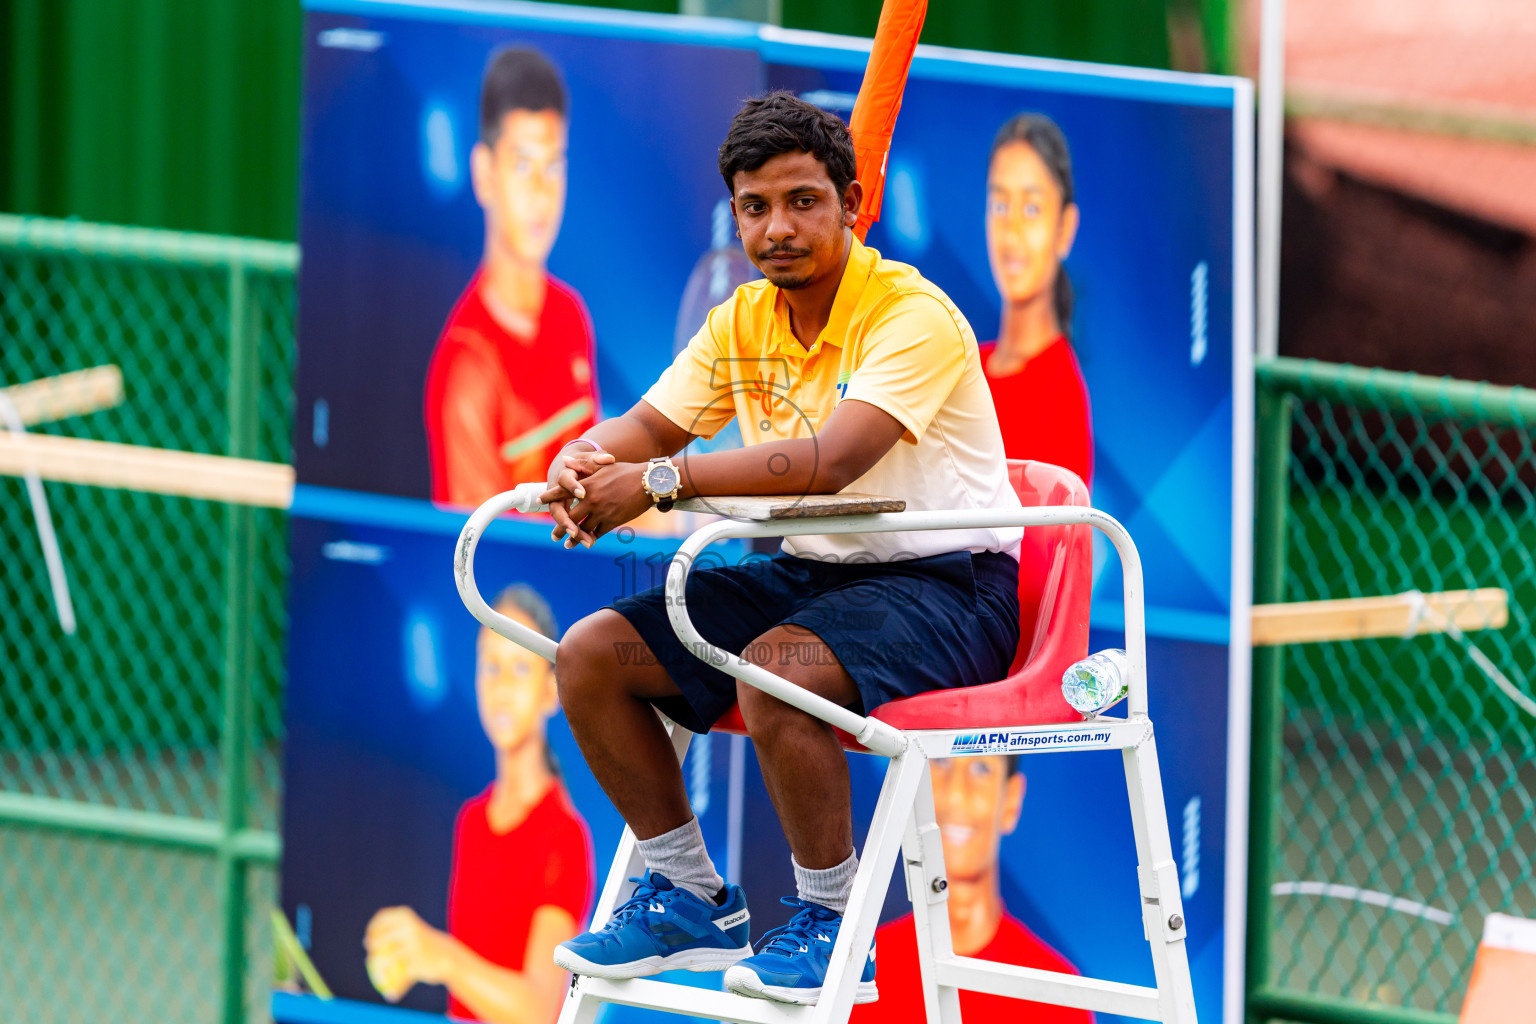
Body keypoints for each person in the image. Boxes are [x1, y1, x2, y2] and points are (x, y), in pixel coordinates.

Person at [538, 91, 1024, 1006]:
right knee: (593, 657)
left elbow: (833, 463)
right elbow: (643, 429)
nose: (780, 228)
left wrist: (662, 483)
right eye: (756, 208)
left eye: (804, 201)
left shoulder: (911, 314)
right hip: (815, 581)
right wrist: (583, 458)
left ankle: (835, 922)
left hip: (951, 590)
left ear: (851, 203)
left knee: (773, 672)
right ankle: (688, 893)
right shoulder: (740, 321)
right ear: (736, 218)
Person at [364, 586, 592, 1023]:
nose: (503, 687)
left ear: (551, 691)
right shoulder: (472, 818)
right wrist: (408, 958)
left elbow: (538, 1011)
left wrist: (442, 957)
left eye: (520, 667)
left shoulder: (564, 836)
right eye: (491, 667)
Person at [424, 46, 599, 507]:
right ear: (485, 173)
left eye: (554, 165)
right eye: (523, 165)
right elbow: (479, 552)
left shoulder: (570, 314)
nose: (542, 192)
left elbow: (599, 479)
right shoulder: (467, 370)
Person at [850, 756, 1093, 1024]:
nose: (956, 794)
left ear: (1010, 799)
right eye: (941, 762)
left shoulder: (1058, 995)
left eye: (981, 768)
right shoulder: (860, 975)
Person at [981, 113, 1093, 488]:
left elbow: (1052, 543)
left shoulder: (1059, 394)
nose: (1011, 233)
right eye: (1000, 206)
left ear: (1065, 227)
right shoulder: (966, 364)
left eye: (1031, 209)